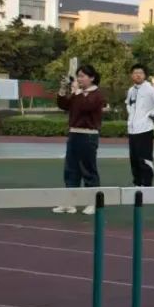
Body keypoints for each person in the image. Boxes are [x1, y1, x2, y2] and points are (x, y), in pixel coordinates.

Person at [52, 64, 104, 215]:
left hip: (88, 135)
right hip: (74, 134)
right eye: (78, 76)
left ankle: (93, 202)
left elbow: (85, 107)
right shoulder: (78, 94)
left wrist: (77, 91)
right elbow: (64, 105)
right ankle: (70, 202)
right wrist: (63, 90)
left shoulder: (97, 95)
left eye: (82, 76)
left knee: (88, 169)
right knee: (71, 169)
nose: (79, 79)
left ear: (91, 78)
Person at [125, 64, 154, 187]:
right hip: (132, 130)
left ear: (145, 75)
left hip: (144, 129)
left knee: (144, 159)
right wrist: (130, 114)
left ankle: (147, 184)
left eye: (140, 73)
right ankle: (137, 184)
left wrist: (152, 113)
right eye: (135, 73)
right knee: (134, 159)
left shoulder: (149, 89)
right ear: (131, 75)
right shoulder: (131, 90)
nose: (138, 75)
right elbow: (128, 103)